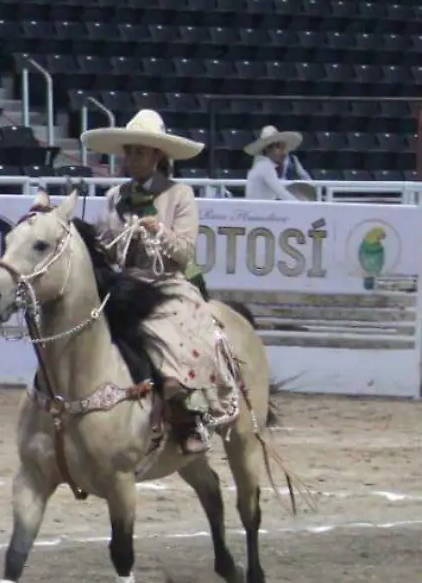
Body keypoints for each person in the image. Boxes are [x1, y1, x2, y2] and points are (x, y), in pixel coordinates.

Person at [80, 109, 233, 456]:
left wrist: (160, 232)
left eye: (139, 152)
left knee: (177, 326)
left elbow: (185, 252)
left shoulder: (179, 195)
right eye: (129, 151)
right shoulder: (114, 197)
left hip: (167, 280)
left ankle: (187, 412)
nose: (131, 158)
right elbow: (105, 243)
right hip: (127, 281)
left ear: (156, 155)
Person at [242, 126, 311, 201]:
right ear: (268, 149)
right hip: (260, 211)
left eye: (284, 148)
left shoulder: (262, 164)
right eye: (279, 148)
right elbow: (282, 194)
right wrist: (302, 205)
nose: (284, 153)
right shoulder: (265, 167)